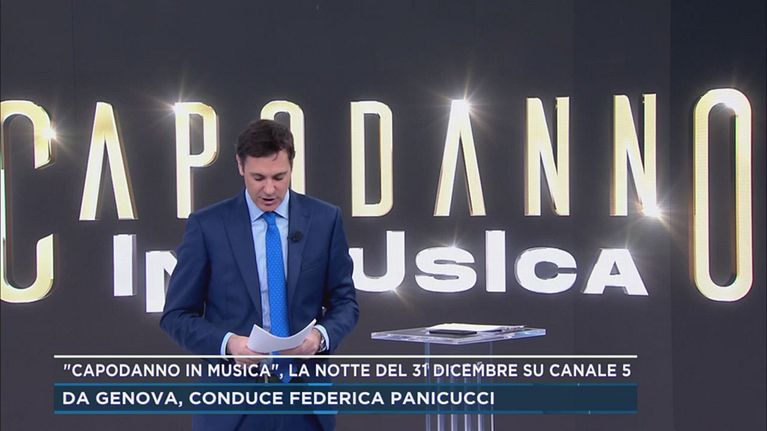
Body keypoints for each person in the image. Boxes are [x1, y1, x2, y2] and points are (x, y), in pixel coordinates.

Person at [160, 119, 359, 431]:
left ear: (292, 167)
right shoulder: (208, 226)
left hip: (305, 405)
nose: (269, 189)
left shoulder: (325, 220)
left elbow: (345, 303)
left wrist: (319, 338)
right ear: (240, 166)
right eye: (258, 178)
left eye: (279, 177)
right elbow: (176, 315)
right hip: (233, 409)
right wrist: (228, 345)